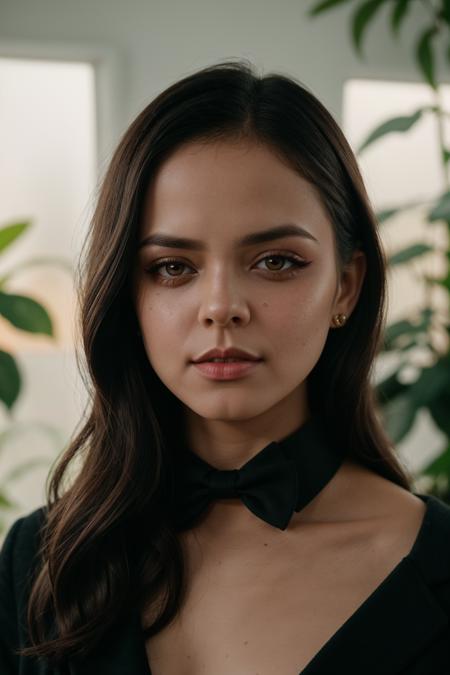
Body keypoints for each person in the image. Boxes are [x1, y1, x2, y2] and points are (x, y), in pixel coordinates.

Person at [1, 59, 450, 675]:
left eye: (275, 262)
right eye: (172, 267)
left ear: (346, 287)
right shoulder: (37, 561)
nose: (220, 308)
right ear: (127, 294)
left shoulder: (438, 568)